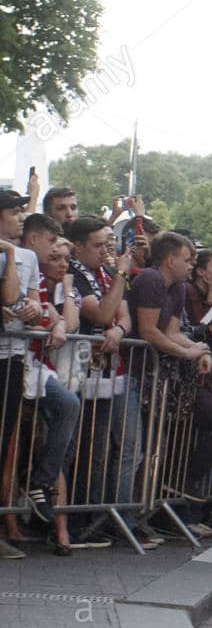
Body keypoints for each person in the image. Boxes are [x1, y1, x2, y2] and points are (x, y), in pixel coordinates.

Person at [128, 233, 212, 519]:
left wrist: (198, 347)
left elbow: (173, 332)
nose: (192, 266)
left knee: (160, 447)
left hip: (167, 377)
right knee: (141, 450)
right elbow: (149, 331)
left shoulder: (177, 287)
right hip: (139, 373)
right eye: (188, 260)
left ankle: (156, 508)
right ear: (169, 259)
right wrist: (188, 353)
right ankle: (136, 515)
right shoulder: (152, 279)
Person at [65, 216, 146, 547]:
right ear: (79, 246)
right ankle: (72, 520)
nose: (106, 251)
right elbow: (99, 313)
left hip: (108, 371)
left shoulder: (110, 273)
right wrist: (122, 275)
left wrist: (119, 330)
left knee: (99, 448)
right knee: (78, 448)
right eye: (98, 245)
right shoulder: (77, 274)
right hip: (78, 370)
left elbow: (121, 315)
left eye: (109, 244)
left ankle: (93, 520)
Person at [17, 215, 85, 555]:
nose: (60, 263)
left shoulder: (54, 282)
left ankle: (57, 524)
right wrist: (52, 319)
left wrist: (61, 307)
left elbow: (69, 323)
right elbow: (30, 314)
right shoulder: (29, 268)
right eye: (54, 254)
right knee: (18, 446)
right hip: (27, 366)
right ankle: (23, 513)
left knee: (60, 440)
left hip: (46, 369)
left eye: (64, 259)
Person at [0, 191, 37, 560]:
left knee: (3, 441)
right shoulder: (16, 255)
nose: (21, 218)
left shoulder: (28, 256)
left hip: (11, 358)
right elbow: (7, 295)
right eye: (14, 212)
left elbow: (25, 299)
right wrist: (8, 255)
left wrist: (32, 309)